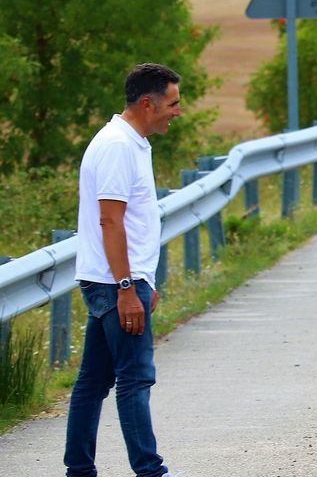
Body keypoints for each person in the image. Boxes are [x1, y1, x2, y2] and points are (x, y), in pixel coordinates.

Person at [66, 63, 182, 477]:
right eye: (173, 103)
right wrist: (127, 287)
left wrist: (140, 281)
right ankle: (150, 472)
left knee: (93, 383)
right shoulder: (117, 146)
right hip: (114, 281)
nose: (177, 112)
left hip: (115, 279)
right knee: (136, 379)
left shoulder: (129, 141)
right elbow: (110, 221)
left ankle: (78, 470)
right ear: (147, 104)